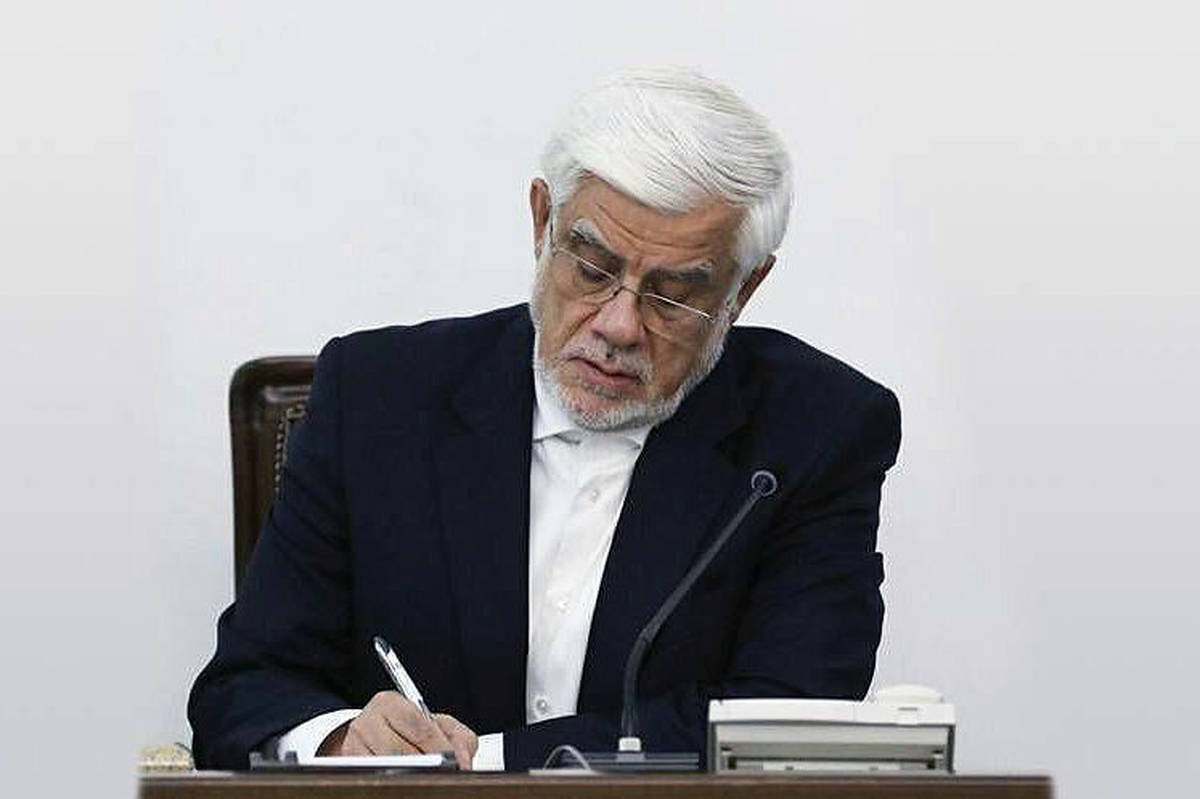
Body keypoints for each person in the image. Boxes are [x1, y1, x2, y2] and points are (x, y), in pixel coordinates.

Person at [188, 66, 901, 772]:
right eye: (593, 269)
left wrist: (482, 766)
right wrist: (342, 739)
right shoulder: (378, 397)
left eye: (673, 295)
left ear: (744, 288)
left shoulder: (817, 432)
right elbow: (246, 688)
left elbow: (785, 720)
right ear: (542, 221)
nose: (619, 326)